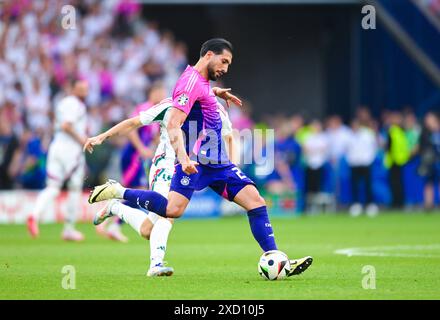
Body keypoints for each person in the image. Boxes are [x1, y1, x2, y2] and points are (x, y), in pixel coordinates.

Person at [86, 38, 313, 276]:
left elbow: (199, 99)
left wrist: (214, 93)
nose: (225, 67)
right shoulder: (189, 82)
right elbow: (173, 124)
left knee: (256, 201)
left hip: (218, 163)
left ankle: (275, 257)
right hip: (194, 162)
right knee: (171, 212)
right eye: (223, 61)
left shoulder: (201, 82)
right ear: (208, 55)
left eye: (229, 63)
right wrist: (183, 159)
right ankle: (118, 193)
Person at [84, 86, 239, 276]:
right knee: (168, 215)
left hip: (186, 169)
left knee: (147, 230)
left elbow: (230, 137)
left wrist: (230, 170)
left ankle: (115, 207)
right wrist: (102, 136)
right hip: (164, 166)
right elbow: (133, 123)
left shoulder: (214, 108)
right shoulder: (169, 106)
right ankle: (155, 265)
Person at [27, 78, 89, 241]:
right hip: (71, 150)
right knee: (74, 187)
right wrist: (82, 140)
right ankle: (69, 229)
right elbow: (67, 126)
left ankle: (34, 215)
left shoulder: (62, 103)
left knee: (53, 187)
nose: (84, 92)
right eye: (81, 89)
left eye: (85, 89)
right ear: (73, 89)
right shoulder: (76, 104)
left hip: (56, 147)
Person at [346, 119, 378, 217]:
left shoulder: (368, 134)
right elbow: (347, 149)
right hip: (354, 164)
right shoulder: (349, 136)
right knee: (355, 185)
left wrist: (369, 159)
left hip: (366, 163)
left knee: (368, 185)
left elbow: (374, 147)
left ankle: (370, 205)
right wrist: (350, 160)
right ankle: (356, 205)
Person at [418, 112, 440, 211]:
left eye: (429, 119)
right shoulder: (425, 133)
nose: (427, 121)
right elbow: (422, 147)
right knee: (428, 183)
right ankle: (428, 205)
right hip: (429, 162)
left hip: (438, 161)